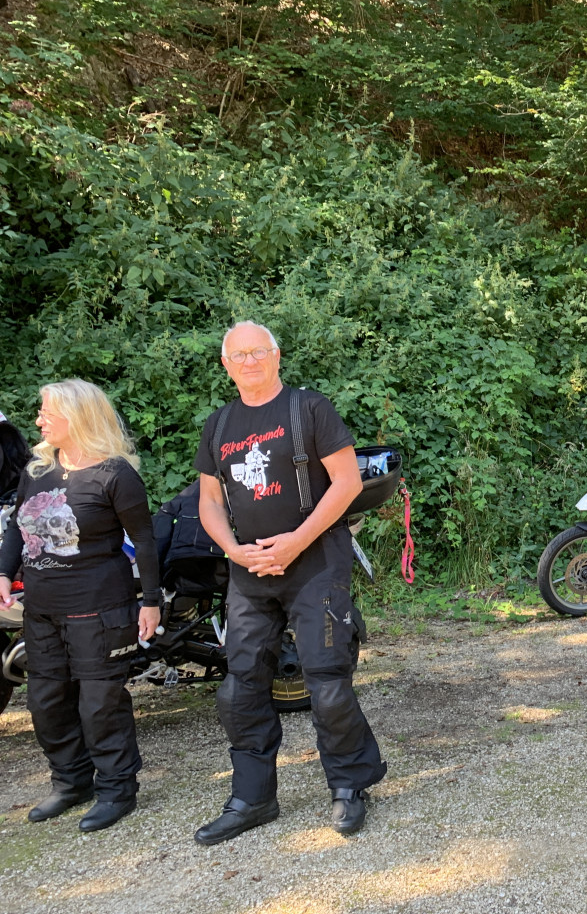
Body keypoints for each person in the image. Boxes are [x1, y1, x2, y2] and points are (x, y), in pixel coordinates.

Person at [192, 321, 386, 845]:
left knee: (327, 684)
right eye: (239, 355)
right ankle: (252, 798)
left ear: (276, 356)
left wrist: (296, 541)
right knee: (240, 687)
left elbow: (347, 481)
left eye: (259, 351)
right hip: (249, 570)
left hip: (315, 563)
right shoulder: (219, 425)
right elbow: (209, 500)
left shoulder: (309, 408)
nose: (249, 361)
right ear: (226, 365)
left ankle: (349, 784)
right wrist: (232, 549)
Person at [0, 380, 161, 831]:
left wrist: (151, 602)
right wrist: (3, 572)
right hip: (42, 610)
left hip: (98, 608)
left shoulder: (115, 474)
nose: (38, 420)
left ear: (78, 416)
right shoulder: (38, 470)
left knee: (99, 704)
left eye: (47, 412)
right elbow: (16, 528)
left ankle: (116, 788)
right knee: (45, 701)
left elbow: (144, 540)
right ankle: (71, 782)